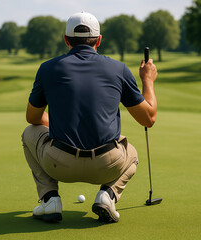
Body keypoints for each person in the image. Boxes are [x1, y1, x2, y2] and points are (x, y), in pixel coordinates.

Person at [22, 11, 158, 223]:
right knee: (131, 152)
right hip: (107, 165)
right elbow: (148, 118)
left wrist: (57, 124)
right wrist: (147, 80)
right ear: (99, 40)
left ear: (66, 40)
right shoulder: (119, 69)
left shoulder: (47, 69)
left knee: (29, 133)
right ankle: (108, 195)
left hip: (59, 164)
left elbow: (32, 118)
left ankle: (49, 199)